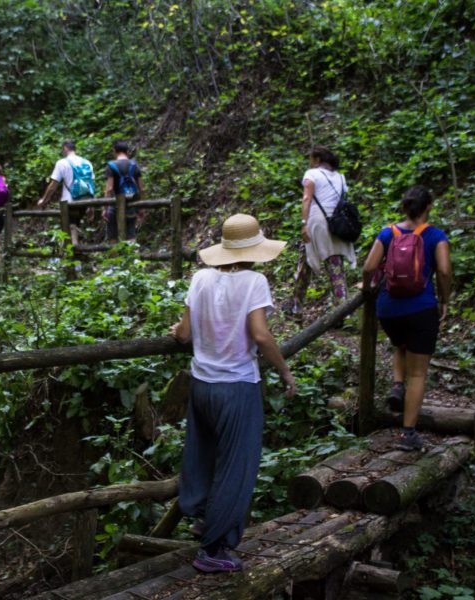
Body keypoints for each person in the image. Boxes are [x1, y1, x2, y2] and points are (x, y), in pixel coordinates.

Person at [169, 214, 296, 573]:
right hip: (237, 386)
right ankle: (213, 549)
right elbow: (260, 334)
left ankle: (201, 518)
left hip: (202, 384)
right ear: (253, 250)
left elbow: (183, 332)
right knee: (236, 467)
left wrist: (176, 332)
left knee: (203, 455)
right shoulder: (254, 282)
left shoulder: (200, 278)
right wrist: (284, 371)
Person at [363, 185, 452, 451]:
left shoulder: (387, 233)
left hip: (388, 308)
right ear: (428, 207)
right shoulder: (436, 236)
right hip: (421, 308)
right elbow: (445, 271)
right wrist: (445, 299)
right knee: (419, 373)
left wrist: (367, 287)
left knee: (400, 344)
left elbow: (369, 266)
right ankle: (408, 434)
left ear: (404, 207)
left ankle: (397, 385)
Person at [290, 146, 356, 314]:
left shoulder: (311, 174)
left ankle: (296, 307)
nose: (310, 162)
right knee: (336, 267)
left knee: (305, 263)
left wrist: (303, 223)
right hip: (336, 224)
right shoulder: (341, 177)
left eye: (311, 159)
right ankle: (342, 311)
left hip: (317, 224)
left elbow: (307, 198)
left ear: (317, 159)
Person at [37, 140, 95, 246]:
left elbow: (52, 185)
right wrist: (91, 205)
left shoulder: (62, 163)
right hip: (85, 200)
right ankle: (75, 251)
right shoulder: (87, 162)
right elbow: (91, 184)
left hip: (69, 201)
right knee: (75, 225)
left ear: (65, 148)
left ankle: (73, 252)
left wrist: (44, 200)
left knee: (70, 226)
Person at [103, 140, 144, 243]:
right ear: (127, 151)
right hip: (131, 205)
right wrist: (141, 207)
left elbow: (109, 189)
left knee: (112, 235)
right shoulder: (134, 165)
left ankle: (115, 258)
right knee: (131, 234)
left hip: (115, 205)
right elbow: (141, 189)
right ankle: (133, 257)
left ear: (114, 151)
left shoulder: (111, 166)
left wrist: (105, 209)